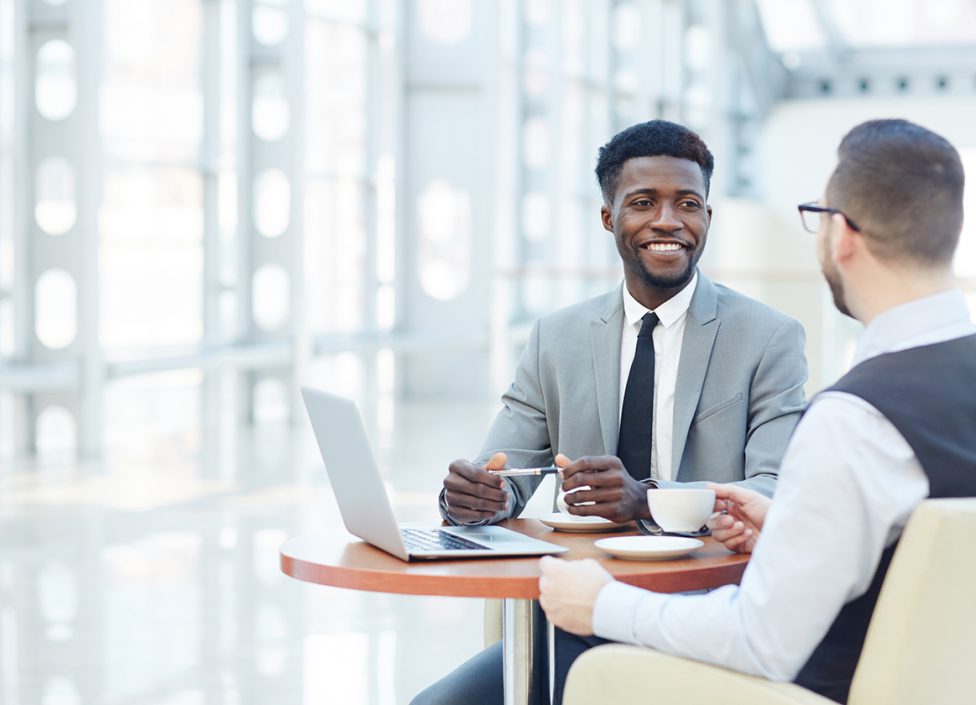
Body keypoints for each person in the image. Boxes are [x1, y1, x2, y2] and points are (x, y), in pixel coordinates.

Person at [538, 118, 976, 705]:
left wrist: (601, 601)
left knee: (572, 660)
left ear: (841, 235)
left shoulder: (857, 418)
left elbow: (762, 640)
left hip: (814, 688)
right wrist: (787, 527)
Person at [413, 120, 808, 704]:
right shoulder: (557, 337)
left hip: (707, 616)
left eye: (688, 204)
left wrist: (647, 496)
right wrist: (475, 497)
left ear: (707, 218)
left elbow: (775, 491)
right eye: (644, 203)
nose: (668, 221)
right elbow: (504, 472)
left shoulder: (769, 338)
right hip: (578, 615)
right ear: (608, 218)